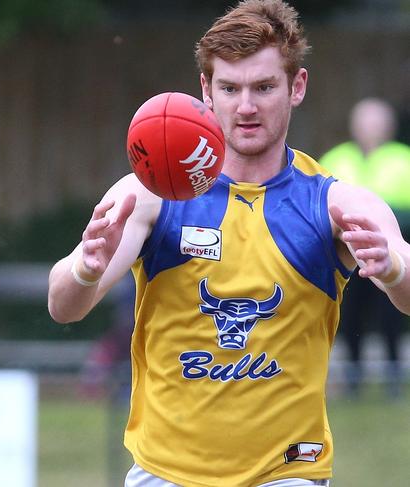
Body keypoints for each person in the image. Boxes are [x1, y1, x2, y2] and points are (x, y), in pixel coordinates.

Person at [47, 1, 410, 486]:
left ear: (296, 86)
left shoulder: (334, 203)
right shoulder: (151, 194)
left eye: (263, 87)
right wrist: (86, 270)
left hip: (287, 473)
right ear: (205, 91)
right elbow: (63, 307)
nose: (245, 107)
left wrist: (391, 270)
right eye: (229, 88)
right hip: (165, 473)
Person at [320, 98, 410, 398]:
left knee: (391, 317)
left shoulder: (403, 158)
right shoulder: (337, 158)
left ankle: (395, 377)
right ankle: (353, 378)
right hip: (348, 254)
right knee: (351, 316)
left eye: (376, 122)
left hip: (391, 247)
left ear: (388, 126)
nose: (369, 128)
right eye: (364, 121)